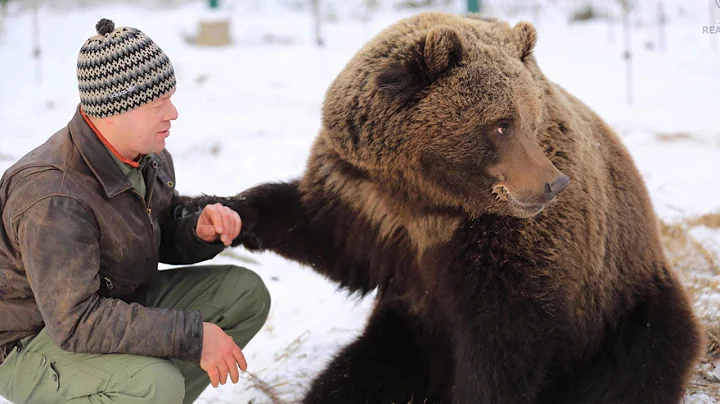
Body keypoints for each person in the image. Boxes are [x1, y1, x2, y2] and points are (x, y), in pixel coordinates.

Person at [0, 18, 270, 404]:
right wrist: (191, 338)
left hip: (113, 303)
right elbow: (75, 321)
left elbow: (146, 230)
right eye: (159, 104)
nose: (173, 113)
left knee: (246, 294)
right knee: (154, 383)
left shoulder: (146, 157)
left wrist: (197, 231)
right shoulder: (54, 196)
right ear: (114, 109)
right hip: (28, 341)